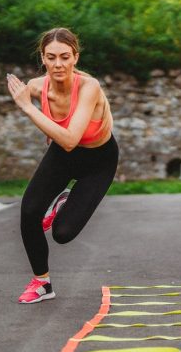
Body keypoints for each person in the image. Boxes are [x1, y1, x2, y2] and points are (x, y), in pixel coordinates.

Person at [6, 28, 117, 304]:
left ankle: (62, 203)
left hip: (98, 160)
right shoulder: (35, 86)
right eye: (51, 57)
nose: (58, 64)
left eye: (65, 57)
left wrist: (29, 109)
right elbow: (61, 141)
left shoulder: (89, 87)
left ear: (75, 57)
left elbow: (69, 140)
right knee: (29, 211)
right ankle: (42, 283)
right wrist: (47, 123)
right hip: (63, 155)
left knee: (63, 234)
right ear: (42, 59)